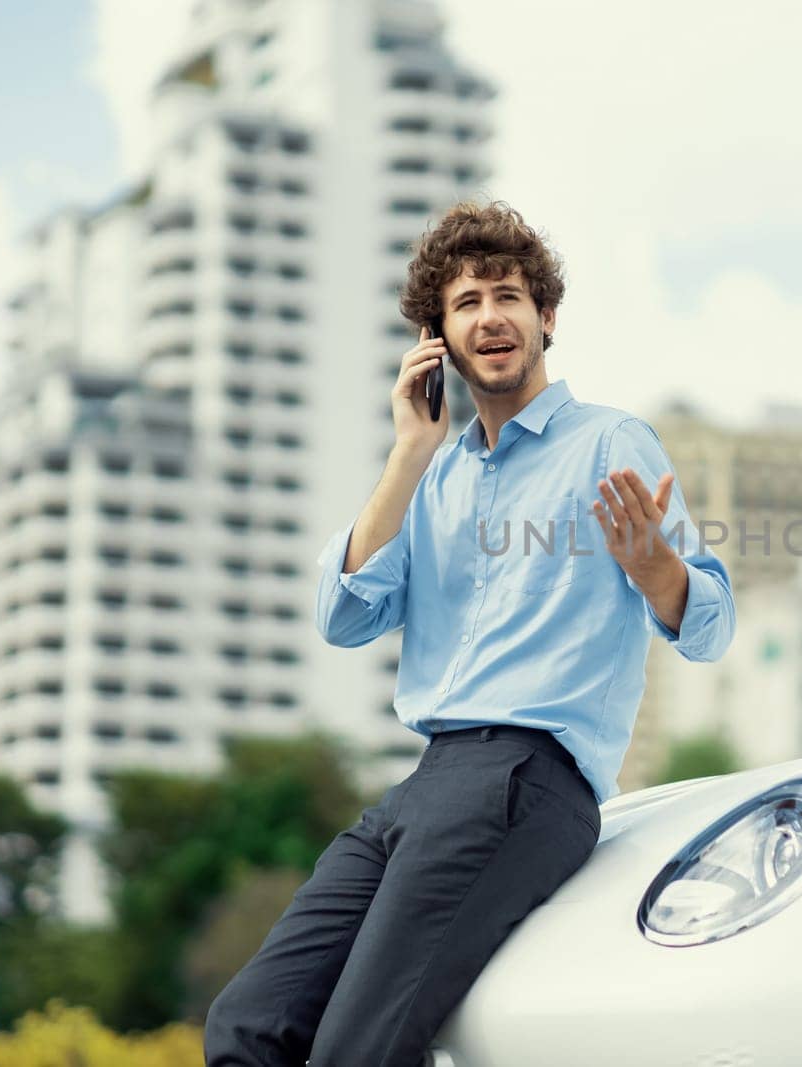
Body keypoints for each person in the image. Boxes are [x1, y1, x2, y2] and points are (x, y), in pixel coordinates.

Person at [204, 200, 736, 1066]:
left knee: (357, 1051)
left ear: (546, 318)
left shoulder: (608, 444)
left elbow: (711, 627)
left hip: (526, 778)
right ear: (437, 338)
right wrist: (408, 454)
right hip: (425, 783)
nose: (490, 314)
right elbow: (344, 615)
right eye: (466, 302)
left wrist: (656, 571)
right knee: (247, 1025)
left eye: (509, 296)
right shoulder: (434, 476)